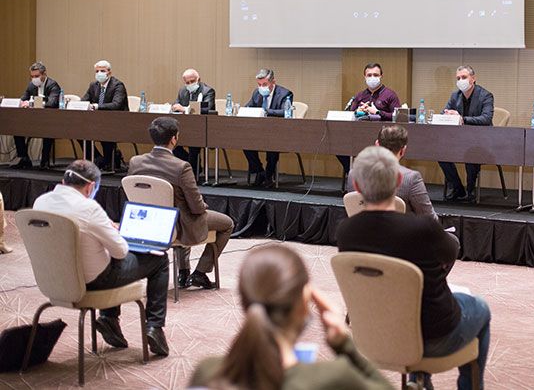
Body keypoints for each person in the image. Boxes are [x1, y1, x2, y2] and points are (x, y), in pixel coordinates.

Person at [338, 146, 490, 390]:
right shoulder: (421, 228)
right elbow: (450, 252)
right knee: (480, 308)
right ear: (398, 181)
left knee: (410, 301)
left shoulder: (346, 232)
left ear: (356, 186)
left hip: (376, 335)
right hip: (434, 337)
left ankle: (418, 380)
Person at [189, 244, 392, 389]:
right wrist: (344, 344)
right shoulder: (334, 379)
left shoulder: (207, 373)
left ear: (243, 301)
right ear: (304, 304)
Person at [32, 160, 170, 356]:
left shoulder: (41, 202)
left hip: (53, 280)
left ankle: (109, 319)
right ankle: (154, 327)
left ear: (64, 181)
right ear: (90, 187)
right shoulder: (89, 208)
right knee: (159, 260)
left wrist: (103, 231)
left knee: (105, 256)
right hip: (91, 282)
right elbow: (121, 251)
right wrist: (112, 232)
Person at [128, 117, 234, 289]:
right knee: (227, 224)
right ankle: (200, 272)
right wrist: (203, 205)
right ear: (174, 139)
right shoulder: (181, 167)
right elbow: (196, 207)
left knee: (181, 210)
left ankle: (183, 273)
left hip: (147, 223)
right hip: (177, 225)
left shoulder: (135, 162)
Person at [347, 125, 438, 221]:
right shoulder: (411, 179)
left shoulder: (354, 174)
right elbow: (430, 219)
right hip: (401, 230)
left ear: (377, 145)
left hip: (362, 229)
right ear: (403, 151)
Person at [438, 65, 494, 203]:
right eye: (458, 78)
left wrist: (462, 119)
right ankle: (457, 188)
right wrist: (447, 114)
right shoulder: (455, 95)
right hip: (459, 140)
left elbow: (486, 119)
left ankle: (470, 190)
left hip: (481, 140)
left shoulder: (486, 95)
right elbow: (443, 113)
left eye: (464, 77)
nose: (460, 81)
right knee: (441, 153)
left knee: (471, 152)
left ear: (473, 79)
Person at [337, 63, 402, 175]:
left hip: (382, 136)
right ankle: (354, 174)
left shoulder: (390, 95)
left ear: (381, 76)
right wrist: (357, 111)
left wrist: (377, 112)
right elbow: (349, 114)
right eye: (369, 75)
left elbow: (398, 117)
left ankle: (372, 176)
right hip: (359, 134)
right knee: (339, 146)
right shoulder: (360, 95)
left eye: (375, 75)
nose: (372, 77)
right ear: (365, 77)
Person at [243, 68, 294, 188]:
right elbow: (248, 107)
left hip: (278, 132)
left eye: (264, 84)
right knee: (245, 141)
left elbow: (285, 112)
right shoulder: (257, 93)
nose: (261, 87)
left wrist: (266, 111)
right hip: (259, 131)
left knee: (273, 143)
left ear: (273, 82)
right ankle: (260, 172)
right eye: (259, 84)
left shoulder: (285, 94)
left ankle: (269, 175)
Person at [11, 62, 61, 170]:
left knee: (48, 130)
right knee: (16, 128)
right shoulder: (31, 85)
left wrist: (33, 103)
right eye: (32, 76)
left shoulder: (53, 85)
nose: (34, 79)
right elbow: (23, 99)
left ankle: (45, 160)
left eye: (37, 76)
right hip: (33, 119)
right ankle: (24, 158)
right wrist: (22, 103)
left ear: (44, 74)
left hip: (50, 120)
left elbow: (52, 103)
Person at [80, 60, 128, 171]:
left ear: (109, 73)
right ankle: (99, 159)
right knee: (80, 132)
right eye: (97, 71)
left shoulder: (118, 85)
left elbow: (116, 104)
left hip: (117, 121)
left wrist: (97, 106)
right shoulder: (94, 85)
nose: (99, 73)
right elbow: (84, 100)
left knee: (104, 131)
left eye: (102, 71)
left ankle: (107, 160)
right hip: (98, 121)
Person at [172, 68, 216, 178]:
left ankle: (192, 174)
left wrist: (185, 109)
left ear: (198, 79)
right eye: (187, 82)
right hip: (185, 127)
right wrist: (175, 107)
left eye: (192, 81)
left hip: (203, 129)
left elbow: (207, 109)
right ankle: (192, 166)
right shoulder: (183, 91)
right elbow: (176, 105)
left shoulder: (208, 91)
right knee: (172, 143)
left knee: (193, 145)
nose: (190, 84)